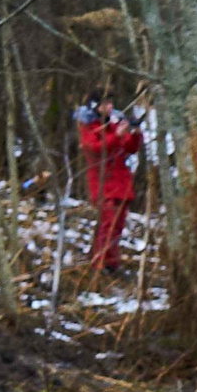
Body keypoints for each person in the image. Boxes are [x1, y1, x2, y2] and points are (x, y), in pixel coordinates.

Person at [80, 95, 144, 273]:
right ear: (96, 106)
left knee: (117, 226)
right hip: (103, 184)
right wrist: (116, 135)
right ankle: (100, 264)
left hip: (121, 184)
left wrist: (135, 132)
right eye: (105, 103)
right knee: (107, 225)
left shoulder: (115, 124)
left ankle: (111, 264)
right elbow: (95, 149)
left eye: (111, 102)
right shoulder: (89, 128)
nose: (110, 106)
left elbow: (130, 148)